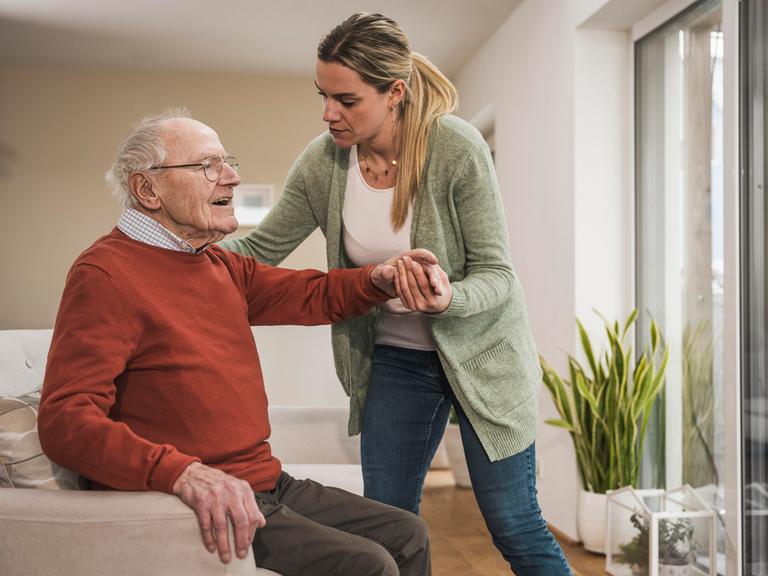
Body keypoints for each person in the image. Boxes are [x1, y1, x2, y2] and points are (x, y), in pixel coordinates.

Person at [220, 12, 573, 575]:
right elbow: (261, 248)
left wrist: (445, 298)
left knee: (515, 525)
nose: (328, 112)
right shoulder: (322, 163)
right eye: (323, 95)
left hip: (482, 359)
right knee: (387, 526)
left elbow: (498, 276)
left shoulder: (455, 149)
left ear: (395, 93)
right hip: (394, 361)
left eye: (347, 99)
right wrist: (171, 253)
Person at [37, 109, 435, 576]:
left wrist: (379, 278)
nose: (232, 177)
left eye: (227, 162)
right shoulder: (105, 275)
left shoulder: (216, 264)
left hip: (262, 482)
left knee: (408, 533)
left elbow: (311, 293)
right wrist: (180, 472)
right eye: (208, 166)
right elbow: (66, 420)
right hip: (189, 501)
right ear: (148, 190)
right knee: (367, 565)